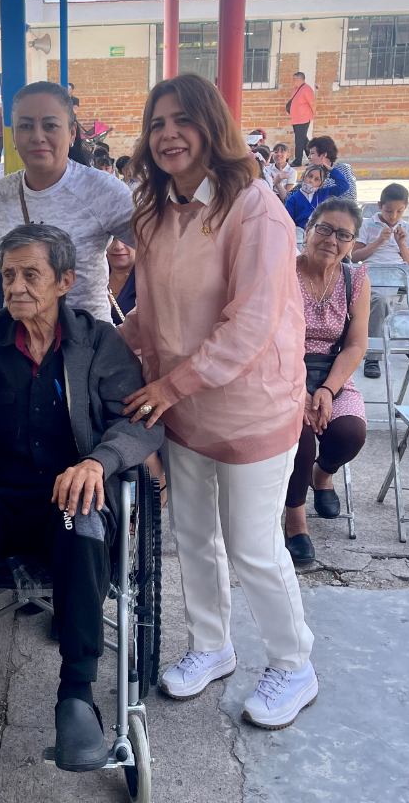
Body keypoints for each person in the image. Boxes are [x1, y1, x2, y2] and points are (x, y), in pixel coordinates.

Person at [0, 223, 163, 776]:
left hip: (67, 495)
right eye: (7, 275)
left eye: (30, 274)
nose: (15, 286)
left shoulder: (98, 343)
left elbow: (138, 419)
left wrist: (99, 462)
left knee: (85, 518)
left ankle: (77, 696)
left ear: (65, 281)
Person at [118, 73, 316, 728]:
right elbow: (152, 313)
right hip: (184, 408)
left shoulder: (255, 208)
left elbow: (251, 323)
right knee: (194, 535)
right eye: (156, 124)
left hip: (253, 406)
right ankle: (212, 645)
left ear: (212, 126)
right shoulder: (153, 212)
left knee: (253, 546)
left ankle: (293, 664)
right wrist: (104, 348)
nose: (168, 134)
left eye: (182, 120)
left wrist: (169, 385)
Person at [0, 82, 134, 323]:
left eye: (50, 125)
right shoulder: (0, 195)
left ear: (72, 133)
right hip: (18, 340)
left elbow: (158, 253)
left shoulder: (103, 190)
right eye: (25, 126)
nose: (37, 136)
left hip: (88, 342)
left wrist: (138, 323)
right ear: (13, 137)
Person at [284, 200, 369, 565]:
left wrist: (327, 391)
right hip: (284, 371)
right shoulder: (283, 272)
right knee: (299, 438)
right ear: (308, 231)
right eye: (324, 229)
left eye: (343, 235)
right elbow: (269, 339)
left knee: (350, 433)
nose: (332, 240)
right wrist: (299, 391)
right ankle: (295, 521)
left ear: (352, 243)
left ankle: (324, 474)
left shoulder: (355, 279)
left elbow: (356, 345)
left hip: (332, 373)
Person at [352, 183, 409, 379]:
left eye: (399, 211)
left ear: (406, 207)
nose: (393, 216)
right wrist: (379, 241)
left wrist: (402, 243)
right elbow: (355, 257)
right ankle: (373, 356)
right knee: (379, 300)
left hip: (403, 269)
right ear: (380, 206)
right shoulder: (367, 225)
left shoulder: (407, 228)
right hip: (375, 270)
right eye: (389, 210)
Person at [284, 163, 350, 228]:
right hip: (301, 230)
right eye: (310, 176)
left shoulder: (325, 193)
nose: (311, 180)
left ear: (321, 184)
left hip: (321, 229)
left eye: (317, 179)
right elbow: (288, 221)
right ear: (303, 177)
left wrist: (331, 170)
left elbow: (344, 186)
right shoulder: (293, 199)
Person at [306, 135, 355, 203]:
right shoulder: (310, 172)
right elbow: (297, 193)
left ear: (324, 155)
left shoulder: (343, 169)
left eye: (312, 153)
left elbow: (351, 198)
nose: (309, 157)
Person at [105, 238, 135, 326]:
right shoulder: (93, 276)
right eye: (112, 239)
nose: (118, 247)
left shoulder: (147, 280)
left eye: (125, 238)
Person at [287, 72, 315, 162]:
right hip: (296, 119)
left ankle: (298, 160)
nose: (293, 81)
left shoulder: (306, 89)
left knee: (299, 140)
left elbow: (312, 103)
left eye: (294, 79)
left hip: (303, 118)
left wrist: (312, 113)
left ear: (299, 79)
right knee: (303, 139)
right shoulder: (296, 89)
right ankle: (313, 158)